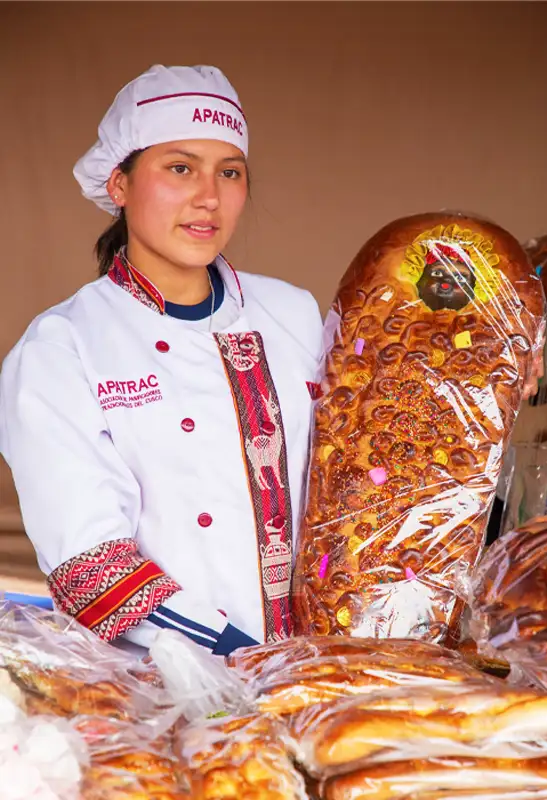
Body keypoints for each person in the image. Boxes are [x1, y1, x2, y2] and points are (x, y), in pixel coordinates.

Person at [0, 65, 327, 656]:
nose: (208, 197)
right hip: (163, 687)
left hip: (324, 672)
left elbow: (365, 476)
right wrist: (252, 662)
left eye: (230, 172)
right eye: (180, 168)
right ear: (119, 185)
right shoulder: (61, 347)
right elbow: (92, 568)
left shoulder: (294, 313)